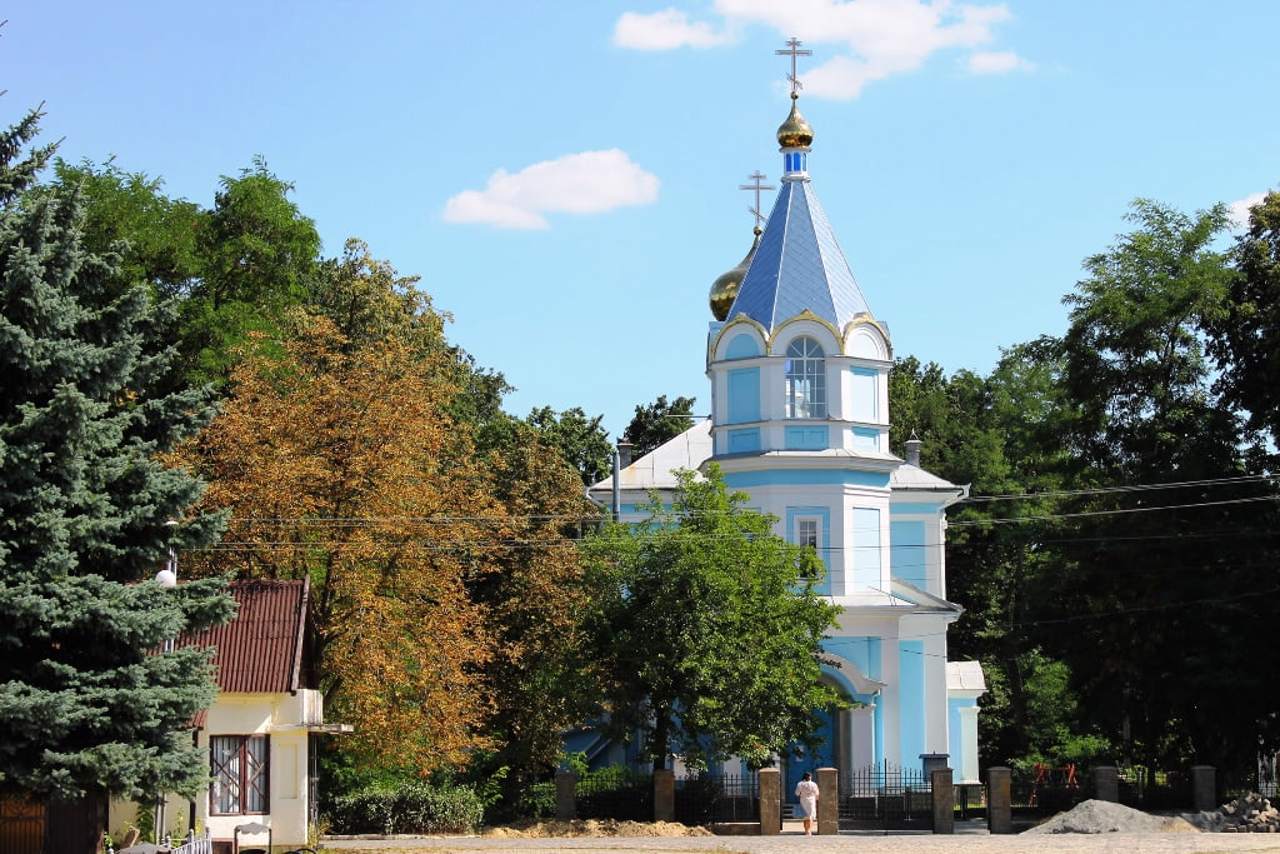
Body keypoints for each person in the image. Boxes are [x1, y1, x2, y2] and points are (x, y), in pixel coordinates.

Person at [795, 771, 819, 836]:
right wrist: (816, 799)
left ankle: (806, 830)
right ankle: (809, 831)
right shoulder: (814, 784)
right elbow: (817, 793)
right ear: (810, 777)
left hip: (803, 800)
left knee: (805, 816)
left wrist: (801, 794)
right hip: (811, 800)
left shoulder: (800, 784)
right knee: (811, 816)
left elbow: (797, 793)